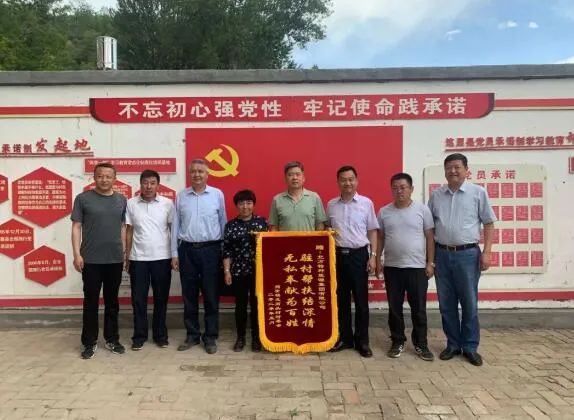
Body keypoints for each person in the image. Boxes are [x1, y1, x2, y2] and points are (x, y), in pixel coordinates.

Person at [428, 153, 496, 367]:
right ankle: (453, 344)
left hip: (468, 255)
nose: (453, 171)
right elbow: (429, 229)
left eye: (457, 167)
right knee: (446, 303)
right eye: (449, 167)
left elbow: (489, 223)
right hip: (442, 254)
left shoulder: (478, 193)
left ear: (466, 170)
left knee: (469, 302)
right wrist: (430, 259)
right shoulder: (436, 196)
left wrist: (487, 252)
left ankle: (470, 346)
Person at [376, 173, 435, 361]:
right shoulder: (384, 212)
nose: (399, 191)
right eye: (395, 188)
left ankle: (421, 344)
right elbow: (380, 238)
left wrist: (430, 262)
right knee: (394, 308)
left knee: (419, 309)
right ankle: (397, 341)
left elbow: (430, 237)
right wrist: (377, 260)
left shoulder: (422, 210)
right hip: (392, 268)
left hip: (417, 268)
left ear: (411, 189)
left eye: (403, 187)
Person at [71, 162, 127, 359]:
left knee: (112, 302)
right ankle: (89, 342)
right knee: (91, 302)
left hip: (114, 259)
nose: (104, 180)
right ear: (94, 178)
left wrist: (124, 252)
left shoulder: (121, 200)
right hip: (91, 260)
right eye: (100, 176)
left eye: (108, 176)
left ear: (115, 179)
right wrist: (77, 254)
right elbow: (76, 227)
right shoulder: (83, 199)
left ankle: (112, 339)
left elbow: (122, 227)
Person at [171, 159, 227, 354]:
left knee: (211, 295)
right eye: (193, 171)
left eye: (201, 171)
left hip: (211, 250)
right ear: (190, 174)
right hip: (187, 251)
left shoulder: (217, 195)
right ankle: (192, 335)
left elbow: (223, 223)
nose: (197, 174)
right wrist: (174, 253)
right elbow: (176, 226)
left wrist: (224, 252)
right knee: (189, 296)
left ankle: (210, 337)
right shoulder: (181, 196)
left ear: (207, 174)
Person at [326, 166, 378, 358]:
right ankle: (345, 338)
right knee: (341, 300)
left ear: (356, 180)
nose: (347, 183)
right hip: (338, 256)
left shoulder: (366, 203)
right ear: (338, 182)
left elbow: (372, 231)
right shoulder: (331, 205)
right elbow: (328, 230)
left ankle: (362, 341)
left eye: (351, 179)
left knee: (361, 300)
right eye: (343, 179)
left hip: (359, 255)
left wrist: (373, 256)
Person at [125, 169, 174, 351]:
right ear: (140, 184)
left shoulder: (167, 204)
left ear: (158, 185)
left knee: (161, 299)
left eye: (152, 183)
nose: (148, 186)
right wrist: (127, 256)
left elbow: (173, 229)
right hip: (138, 259)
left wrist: (174, 255)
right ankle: (139, 336)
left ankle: (160, 335)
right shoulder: (131, 203)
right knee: (138, 299)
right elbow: (129, 231)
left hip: (162, 258)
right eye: (145, 183)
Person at [222, 190, 268, 352]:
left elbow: (270, 247)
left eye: (248, 203)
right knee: (240, 305)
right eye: (241, 203)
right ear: (237, 205)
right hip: (239, 271)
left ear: (253, 204)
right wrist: (227, 271)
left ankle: (257, 337)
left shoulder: (262, 223)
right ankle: (240, 338)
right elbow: (227, 251)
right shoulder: (231, 225)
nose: (245, 206)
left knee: (257, 305)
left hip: (259, 272)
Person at [269, 161, 327, 231]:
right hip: (285, 239)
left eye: (298, 174)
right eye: (290, 175)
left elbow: (320, 225)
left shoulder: (314, 197)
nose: (294, 178)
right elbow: (274, 228)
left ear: (303, 178)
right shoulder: (277, 200)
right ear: (285, 179)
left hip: (309, 239)